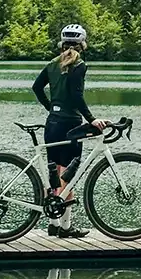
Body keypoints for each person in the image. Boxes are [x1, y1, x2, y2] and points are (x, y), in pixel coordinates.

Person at [31, 23, 108, 239]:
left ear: (62, 43)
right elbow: (77, 97)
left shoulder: (52, 64)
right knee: (69, 176)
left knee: (54, 173)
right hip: (70, 126)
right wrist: (92, 120)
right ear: (82, 44)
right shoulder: (79, 64)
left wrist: (51, 107)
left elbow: (36, 88)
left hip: (52, 123)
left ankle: (53, 223)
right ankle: (66, 228)